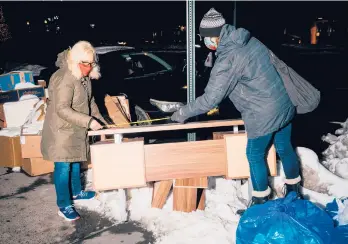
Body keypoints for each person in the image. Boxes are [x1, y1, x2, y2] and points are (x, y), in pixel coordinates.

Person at [171, 8, 302, 214]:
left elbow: (210, 99)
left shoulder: (228, 58)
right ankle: (295, 192)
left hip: (263, 112)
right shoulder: (249, 40)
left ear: (213, 36)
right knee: (284, 147)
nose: (204, 42)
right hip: (283, 102)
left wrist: (181, 113)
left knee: (254, 154)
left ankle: (261, 204)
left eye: (204, 38)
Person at [41, 41, 107, 221]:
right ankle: (63, 205)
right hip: (61, 131)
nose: (89, 67)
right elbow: (62, 109)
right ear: (76, 60)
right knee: (63, 167)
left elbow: (90, 101)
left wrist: (100, 120)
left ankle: (77, 193)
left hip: (76, 128)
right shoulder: (64, 78)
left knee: (76, 161)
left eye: (91, 63)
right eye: (85, 63)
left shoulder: (82, 77)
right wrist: (88, 121)